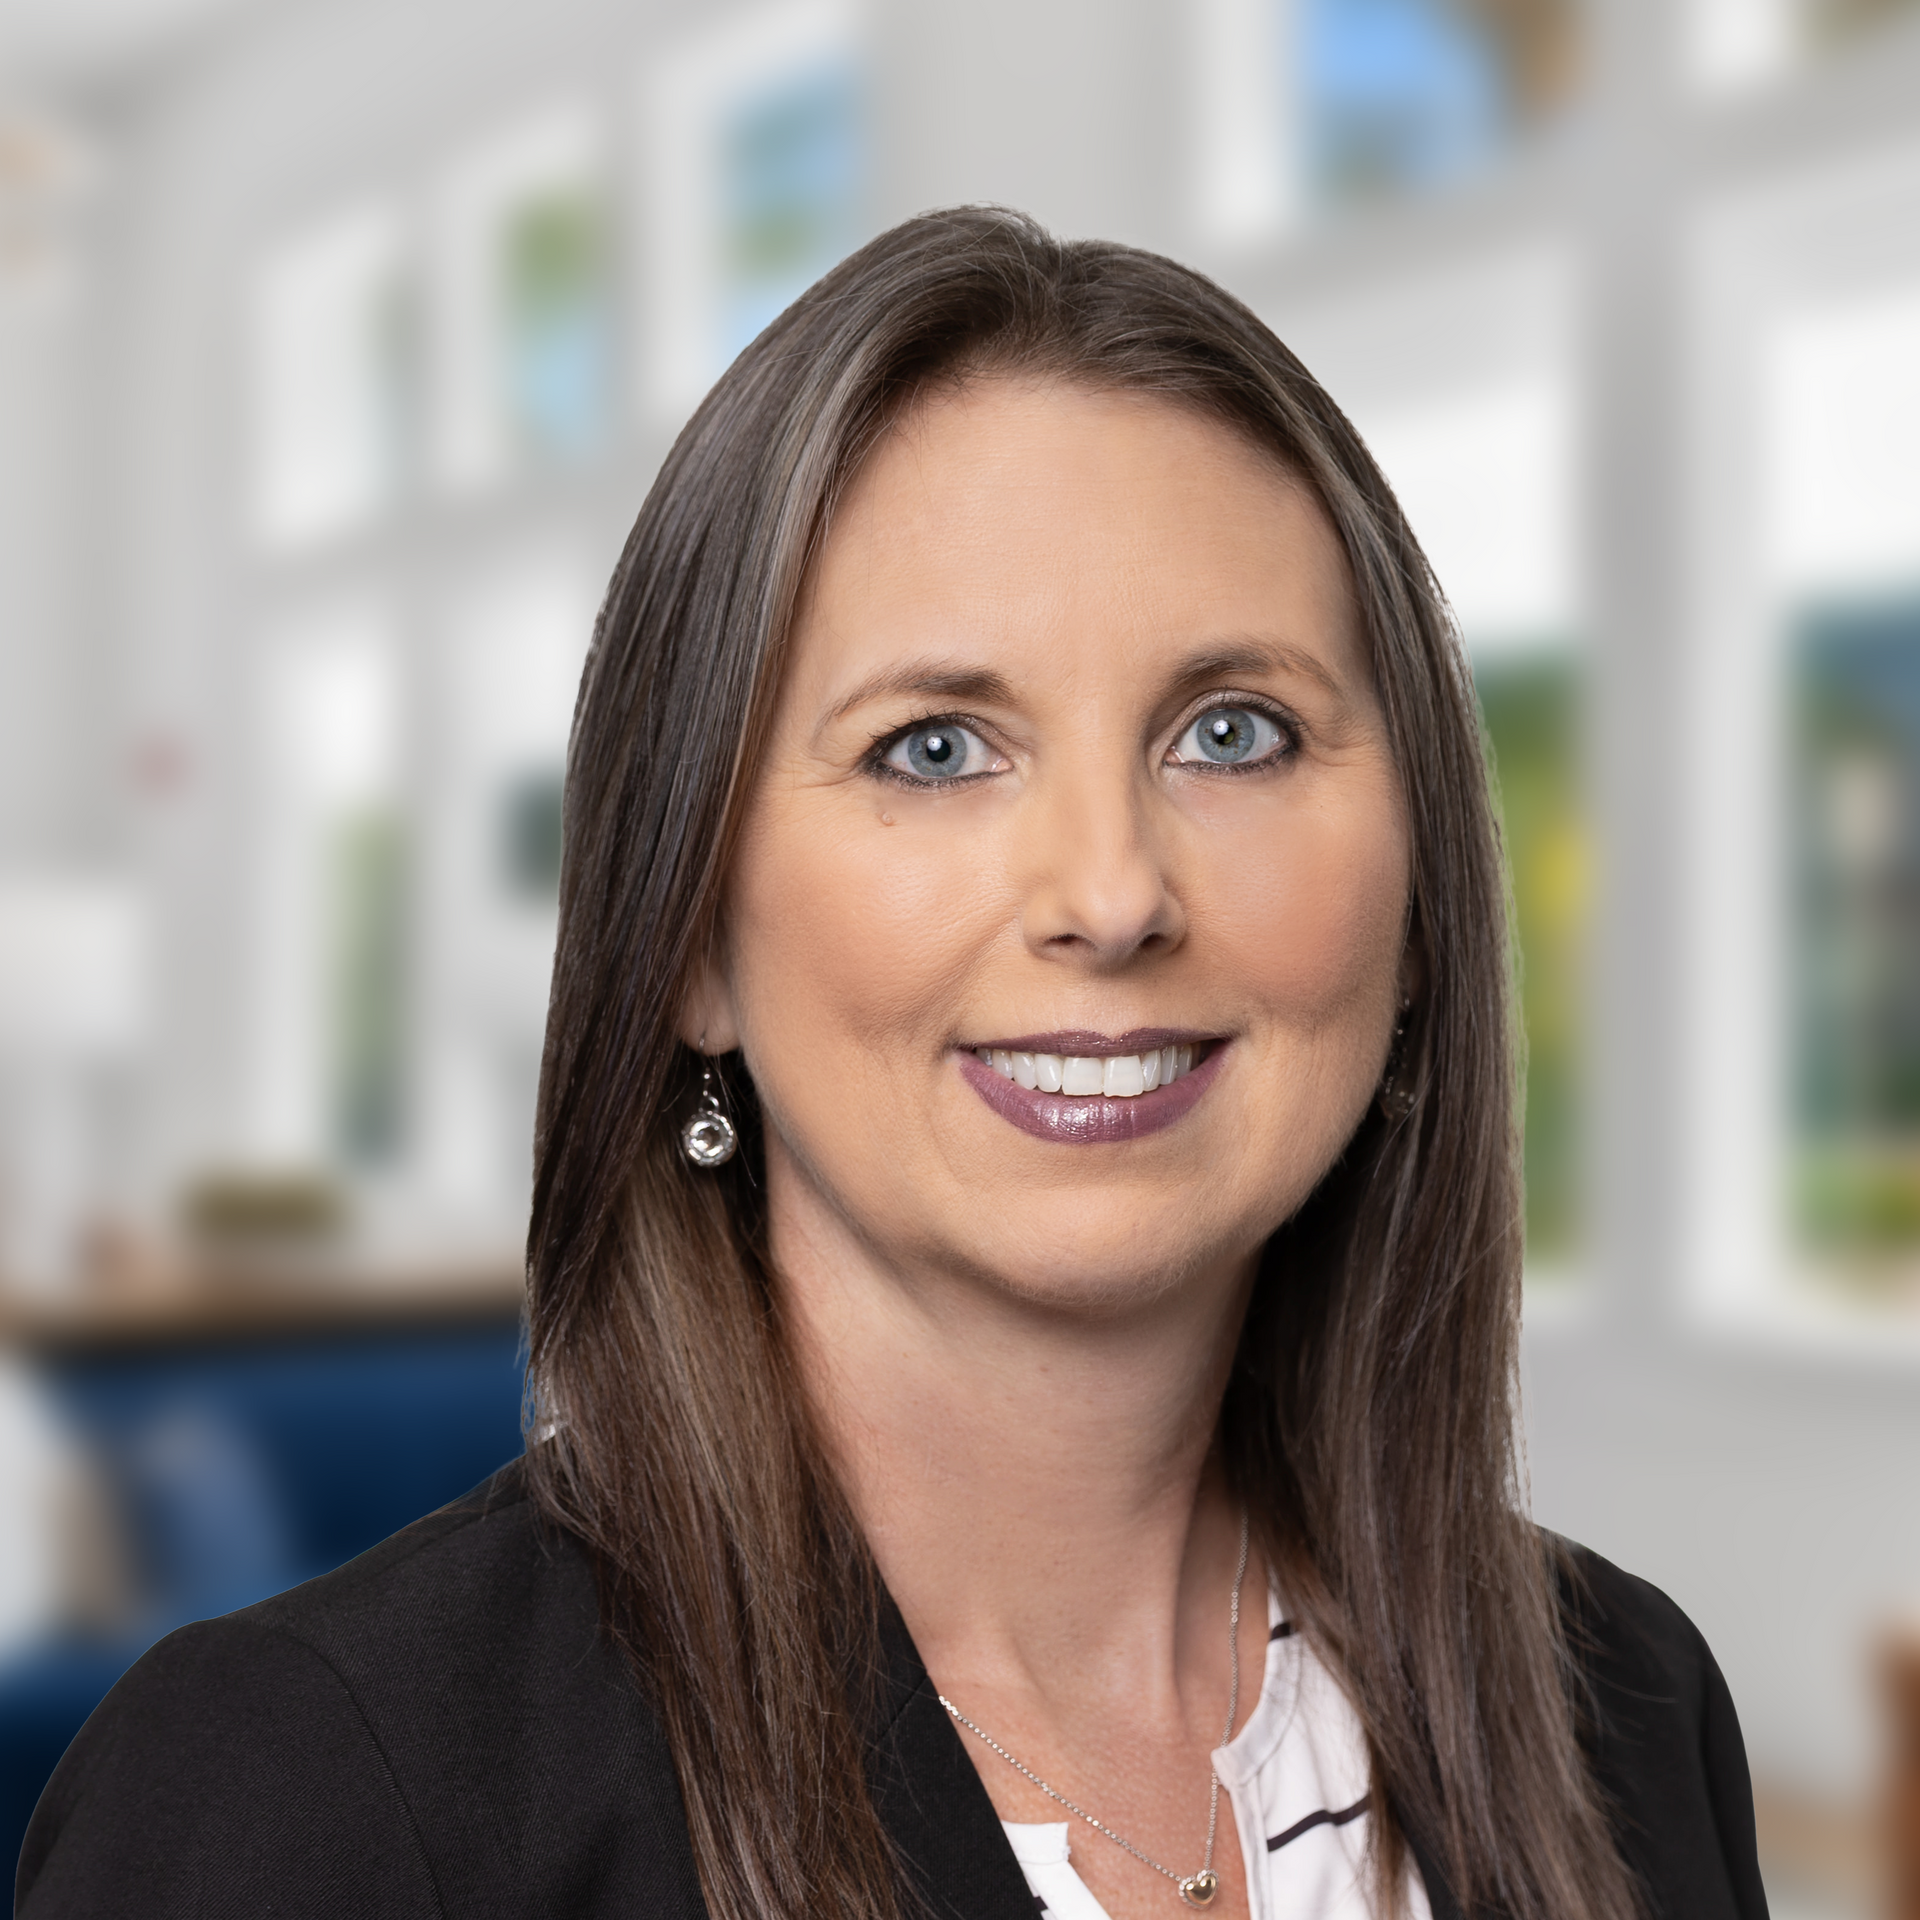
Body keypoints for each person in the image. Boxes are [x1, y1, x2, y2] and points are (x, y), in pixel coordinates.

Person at [15, 208, 1766, 1920]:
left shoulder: (1629, 1712)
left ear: (1414, 896)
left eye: (1235, 733)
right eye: (935, 748)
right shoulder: (304, 1795)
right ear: (690, 932)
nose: (1111, 893)